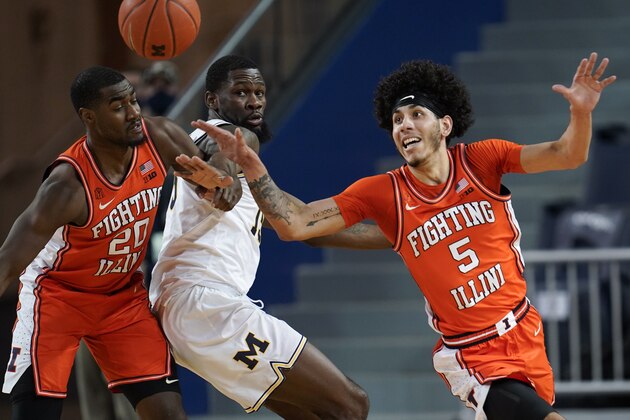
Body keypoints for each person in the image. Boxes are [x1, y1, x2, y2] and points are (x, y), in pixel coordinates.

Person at [178, 52, 616, 420]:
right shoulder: (382, 192)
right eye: (397, 119)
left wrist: (580, 113)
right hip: (473, 355)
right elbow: (297, 224)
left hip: (524, 330)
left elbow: (567, 154)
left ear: (444, 125)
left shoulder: (484, 160)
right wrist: (255, 170)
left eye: (415, 115)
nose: (404, 125)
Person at [149, 54, 389, 419]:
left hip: (191, 310)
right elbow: (223, 156)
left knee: (312, 414)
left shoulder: (250, 171)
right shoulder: (232, 136)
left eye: (259, 92)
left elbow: (306, 228)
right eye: (241, 91)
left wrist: (402, 234)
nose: (254, 100)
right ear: (213, 100)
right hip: (205, 303)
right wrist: (221, 176)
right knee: (352, 404)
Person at [0, 65, 232, 420]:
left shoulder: (160, 138)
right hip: (59, 298)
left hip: (122, 297)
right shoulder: (66, 187)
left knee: (169, 413)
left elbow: (210, 176)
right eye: (118, 105)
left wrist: (221, 177)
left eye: (133, 100)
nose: (134, 111)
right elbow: (8, 261)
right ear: (89, 117)